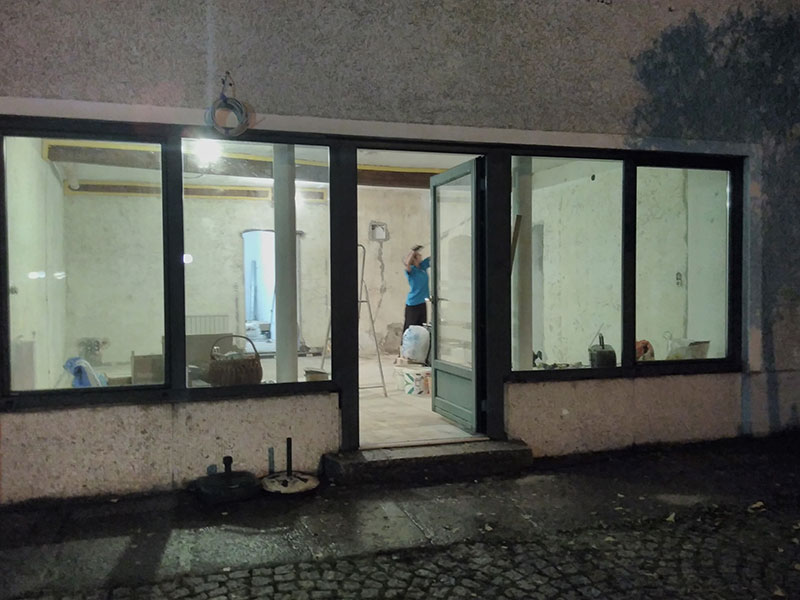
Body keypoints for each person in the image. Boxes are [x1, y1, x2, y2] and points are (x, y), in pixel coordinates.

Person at [402, 245, 430, 333]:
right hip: (413, 304)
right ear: (414, 259)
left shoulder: (422, 267)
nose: (420, 255)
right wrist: (413, 251)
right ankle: (405, 342)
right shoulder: (411, 270)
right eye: (418, 255)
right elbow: (407, 263)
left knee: (422, 328)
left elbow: (432, 258)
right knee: (410, 329)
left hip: (422, 302)